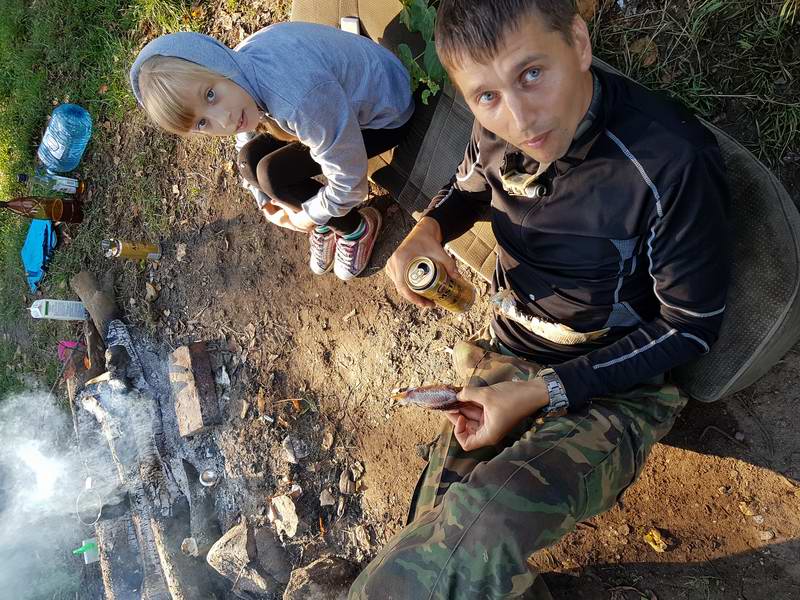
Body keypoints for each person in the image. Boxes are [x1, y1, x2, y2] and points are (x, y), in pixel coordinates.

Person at [352, 0, 730, 597]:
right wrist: (428, 228)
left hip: (615, 388)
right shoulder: (496, 128)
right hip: (508, 355)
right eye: (487, 95)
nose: (520, 118)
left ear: (577, 42)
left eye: (532, 74)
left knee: (471, 541)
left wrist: (539, 393)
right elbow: (468, 186)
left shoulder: (669, 162)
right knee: (431, 542)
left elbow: (690, 326)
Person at [129, 22, 415, 280]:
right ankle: (326, 219)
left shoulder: (298, 101)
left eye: (210, 95)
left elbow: (350, 182)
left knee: (272, 174)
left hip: (387, 115)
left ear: (215, 62)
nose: (224, 120)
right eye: (202, 123)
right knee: (248, 160)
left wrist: (310, 216)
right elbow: (244, 139)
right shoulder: (238, 67)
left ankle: (355, 228)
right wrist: (263, 200)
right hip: (336, 110)